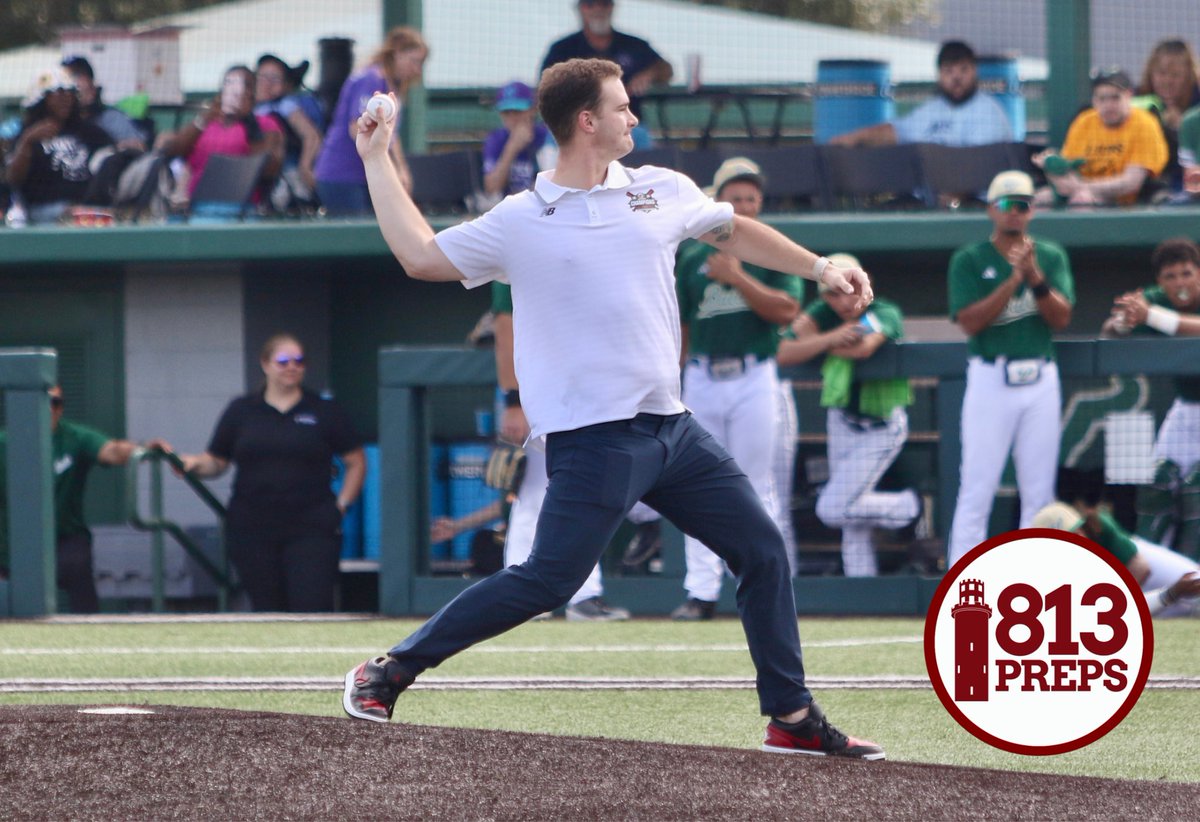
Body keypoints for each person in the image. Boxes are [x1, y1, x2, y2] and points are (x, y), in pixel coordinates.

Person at [342, 57, 884, 760]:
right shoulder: (522, 218)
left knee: (760, 549)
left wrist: (819, 267)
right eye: (623, 107)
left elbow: (733, 232)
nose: (636, 117)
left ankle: (791, 715)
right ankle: (387, 671)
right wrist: (377, 157)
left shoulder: (661, 189)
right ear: (587, 121)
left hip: (673, 431)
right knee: (548, 581)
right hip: (593, 441)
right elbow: (419, 255)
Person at [670, 157, 803, 620]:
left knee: (755, 481)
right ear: (717, 199)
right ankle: (700, 591)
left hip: (753, 373)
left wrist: (738, 277)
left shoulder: (770, 251)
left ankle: (764, 585)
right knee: (694, 484)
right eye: (735, 196)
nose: (744, 205)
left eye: (751, 197)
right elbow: (680, 324)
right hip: (703, 374)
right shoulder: (690, 255)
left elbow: (787, 310)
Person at [171, 334, 365, 612]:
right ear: (265, 364)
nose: (292, 367)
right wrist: (191, 465)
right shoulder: (242, 410)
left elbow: (356, 461)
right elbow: (216, 461)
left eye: (299, 361)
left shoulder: (324, 410)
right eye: (283, 361)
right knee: (267, 607)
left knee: (312, 604)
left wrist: (341, 506)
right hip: (253, 525)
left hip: (311, 525)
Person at [945, 171, 1074, 568]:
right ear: (991, 209)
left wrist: (1034, 277)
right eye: (1006, 205)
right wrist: (1013, 279)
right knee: (977, 488)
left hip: (1039, 376)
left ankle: (1034, 584)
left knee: (1038, 491)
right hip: (990, 376)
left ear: (1032, 211)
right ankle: (962, 583)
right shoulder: (970, 258)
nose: (1014, 213)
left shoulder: (1049, 255)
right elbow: (969, 321)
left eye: (1022, 205)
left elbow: (1061, 317)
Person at [492, 282, 630, 621]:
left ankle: (583, 595)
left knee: (585, 487)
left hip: (584, 383)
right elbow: (504, 327)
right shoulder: (519, 241)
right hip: (539, 386)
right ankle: (518, 598)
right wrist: (513, 399)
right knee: (533, 492)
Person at [777, 255, 919, 578]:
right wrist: (830, 339)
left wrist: (815, 345)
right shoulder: (821, 313)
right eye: (832, 293)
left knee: (833, 508)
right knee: (852, 524)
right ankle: (862, 588)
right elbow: (784, 352)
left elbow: (862, 348)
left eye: (848, 290)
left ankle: (907, 508)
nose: (842, 300)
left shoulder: (883, 309)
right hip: (842, 419)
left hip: (882, 422)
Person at [0, 386, 143, 612]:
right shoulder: (5, 442)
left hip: (64, 537)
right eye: (44, 402)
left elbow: (111, 450)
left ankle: (91, 635)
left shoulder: (74, 437)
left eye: (56, 403)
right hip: (13, 544)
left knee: (76, 564)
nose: (50, 409)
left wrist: (141, 450)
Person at [1103, 238, 1200, 558]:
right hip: (1186, 408)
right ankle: (1155, 574)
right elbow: (1109, 332)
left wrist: (1152, 317)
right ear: (1160, 281)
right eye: (1171, 276)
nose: (1180, 283)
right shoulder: (1155, 298)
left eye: (1187, 273)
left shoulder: (1156, 309)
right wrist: (1124, 320)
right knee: (1157, 484)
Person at [1031, 470, 1200, 618]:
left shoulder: (1098, 526)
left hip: (1160, 578)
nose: (1079, 538)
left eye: (1077, 531)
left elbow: (1141, 570)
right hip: (1162, 593)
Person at [314, 26, 428, 215]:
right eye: (414, 61)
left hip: (366, 178)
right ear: (397, 53)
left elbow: (392, 136)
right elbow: (357, 128)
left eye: (420, 63)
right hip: (341, 176)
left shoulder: (392, 85)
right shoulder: (371, 79)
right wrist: (391, 170)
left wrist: (401, 170)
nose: (417, 69)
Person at [829, 40, 1011, 148]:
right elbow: (897, 131)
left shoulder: (988, 112)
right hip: (929, 199)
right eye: (948, 71)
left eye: (963, 70)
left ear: (975, 71)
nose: (956, 78)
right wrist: (856, 137)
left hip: (975, 204)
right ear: (939, 75)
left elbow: (978, 166)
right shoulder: (931, 110)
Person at [541, 0, 672, 149]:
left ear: (612, 7)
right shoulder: (562, 49)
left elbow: (667, 69)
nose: (598, 9)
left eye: (604, 3)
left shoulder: (634, 45)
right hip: (578, 128)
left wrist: (650, 74)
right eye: (590, 4)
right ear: (580, 9)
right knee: (554, 141)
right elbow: (546, 88)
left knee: (644, 143)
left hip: (628, 127)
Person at [1034, 69, 1168, 207]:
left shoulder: (1145, 123)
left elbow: (1131, 182)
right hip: (1081, 190)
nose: (1108, 106)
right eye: (1101, 99)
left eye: (1115, 98)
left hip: (1125, 203)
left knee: (1082, 200)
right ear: (1094, 100)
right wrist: (1051, 168)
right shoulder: (1084, 121)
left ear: (1129, 95)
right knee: (1038, 199)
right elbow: (1068, 168)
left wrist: (1081, 187)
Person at [160, 65, 284, 206]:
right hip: (193, 205)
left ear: (252, 94)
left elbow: (270, 169)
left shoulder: (264, 124)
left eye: (245, 86)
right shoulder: (205, 123)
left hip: (239, 207)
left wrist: (250, 123)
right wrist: (203, 119)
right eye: (229, 83)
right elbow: (170, 151)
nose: (236, 92)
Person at [4, 65, 114, 224]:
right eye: (58, 93)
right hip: (42, 210)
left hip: (86, 208)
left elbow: (109, 160)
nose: (65, 98)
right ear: (42, 98)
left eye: (69, 93)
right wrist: (27, 142)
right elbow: (13, 179)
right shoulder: (28, 133)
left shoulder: (88, 132)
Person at [254, 54, 325, 210]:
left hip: (286, 176)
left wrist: (305, 166)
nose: (267, 84)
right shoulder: (250, 108)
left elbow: (312, 136)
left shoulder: (285, 105)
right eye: (263, 77)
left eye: (275, 78)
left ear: (286, 85)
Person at [1134, 38, 1200, 190]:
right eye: (1161, 73)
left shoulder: (1196, 109)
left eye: (1175, 75)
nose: (1167, 81)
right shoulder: (1137, 100)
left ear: (1189, 77)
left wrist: (1182, 128)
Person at [480, 81, 551, 201]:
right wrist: (511, 148)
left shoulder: (547, 136)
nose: (512, 118)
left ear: (532, 110)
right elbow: (492, 187)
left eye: (518, 111)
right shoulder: (496, 139)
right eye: (506, 112)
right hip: (511, 209)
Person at [61, 56, 147, 152]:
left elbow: (140, 146)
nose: (75, 82)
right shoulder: (57, 123)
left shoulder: (112, 118)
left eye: (77, 75)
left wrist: (111, 147)